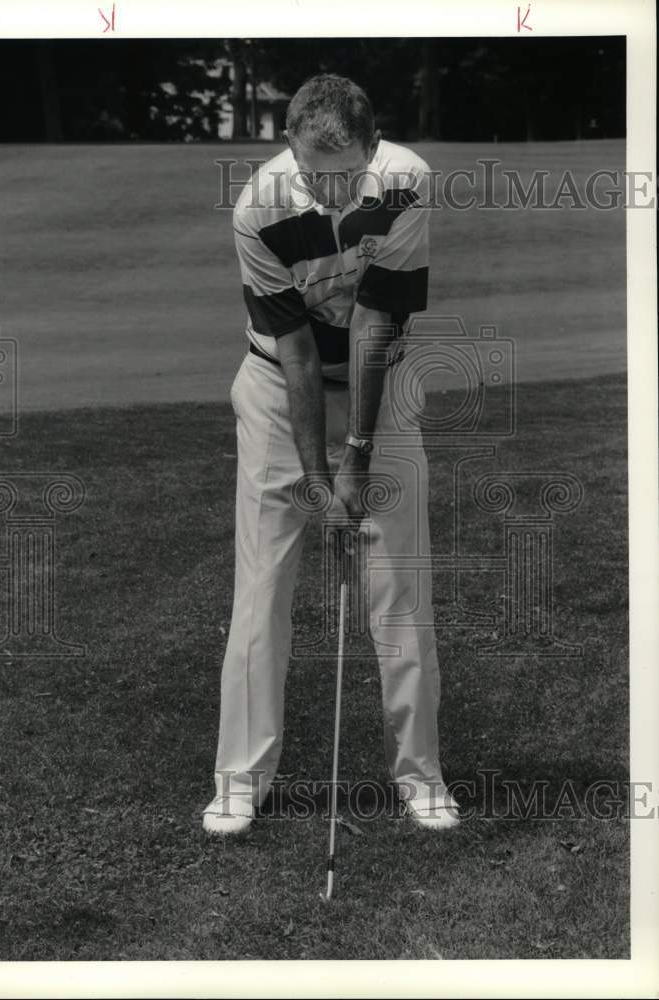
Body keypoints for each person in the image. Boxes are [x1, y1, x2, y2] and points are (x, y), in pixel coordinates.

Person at [202, 74, 459, 835]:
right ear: (290, 152)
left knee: (399, 583)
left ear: (373, 150)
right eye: (316, 173)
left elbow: (376, 328)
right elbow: (298, 356)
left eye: (346, 173)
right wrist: (319, 479)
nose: (332, 190)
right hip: (279, 386)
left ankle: (421, 775)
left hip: (382, 379)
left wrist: (356, 460)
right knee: (264, 584)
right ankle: (238, 780)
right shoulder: (259, 206)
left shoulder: (407, 182)